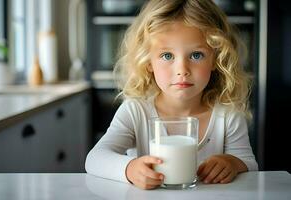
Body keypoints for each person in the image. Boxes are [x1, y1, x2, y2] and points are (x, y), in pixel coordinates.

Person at [85, 0, 258, 190]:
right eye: (167, 56)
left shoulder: (227, 114)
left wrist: (232, 163)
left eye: (196, 55)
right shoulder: (136, 111)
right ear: (148, 62)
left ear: (216, 59)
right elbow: (95, 158)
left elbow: (249, 163)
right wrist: (129, 168)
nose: (182, 70)